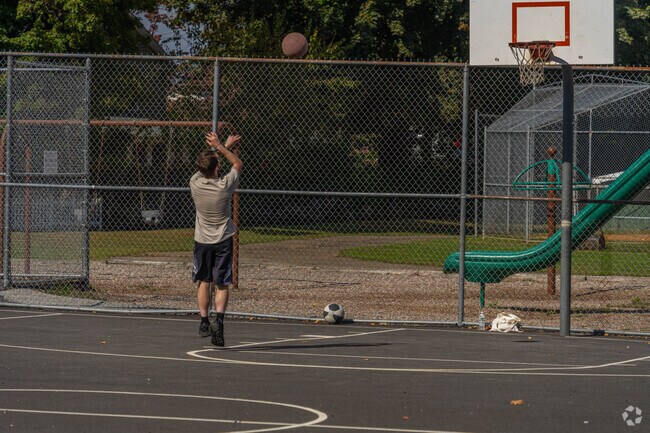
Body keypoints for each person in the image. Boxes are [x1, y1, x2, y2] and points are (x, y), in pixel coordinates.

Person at [189, 131, 243, 346]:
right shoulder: (225, 185)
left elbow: (205, 165)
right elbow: (237, 163)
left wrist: (218, 148)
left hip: (202, 241)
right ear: (217, 168)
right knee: (221, 284)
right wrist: (222, 147)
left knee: (204, 281)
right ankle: (218, 321)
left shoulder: (195, 182)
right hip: (222, 241)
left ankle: (204, 321)